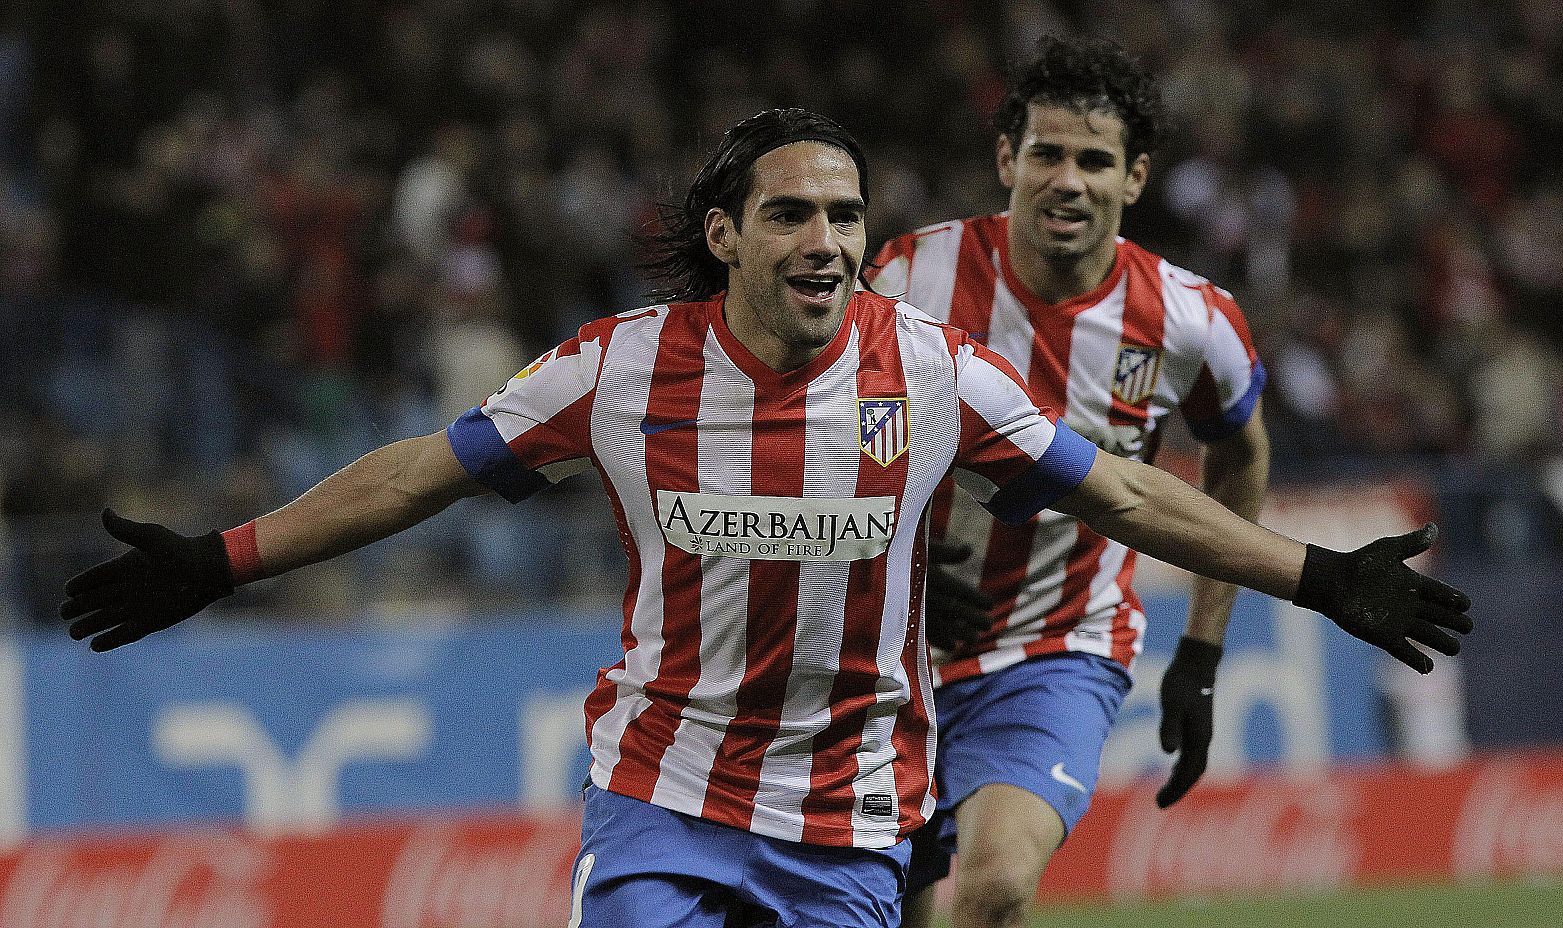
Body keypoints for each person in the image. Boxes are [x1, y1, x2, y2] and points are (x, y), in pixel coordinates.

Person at [59, 108, 1470, 928]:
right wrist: (224, 556)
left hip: (852, 820)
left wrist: (1318, 575)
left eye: (847, 216)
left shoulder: (931, 372)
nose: (829, 243)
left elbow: (1125, 491)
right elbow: (422, 469)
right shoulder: (616, 369)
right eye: (792, 214)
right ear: (727, 235)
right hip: (665, 797)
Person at [865, 37, 1418, 928]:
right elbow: (835, 444)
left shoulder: (1191, 321)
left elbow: (1241, 457)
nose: (1068, 180)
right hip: (894, 645)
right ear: (1008, 159)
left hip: (1058, 641)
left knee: (997, 884)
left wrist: (1201, 649)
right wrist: (897, 575)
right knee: (898, 906)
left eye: (1095, 160)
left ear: (1135, 178)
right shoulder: (902, 282)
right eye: (1047, 154)